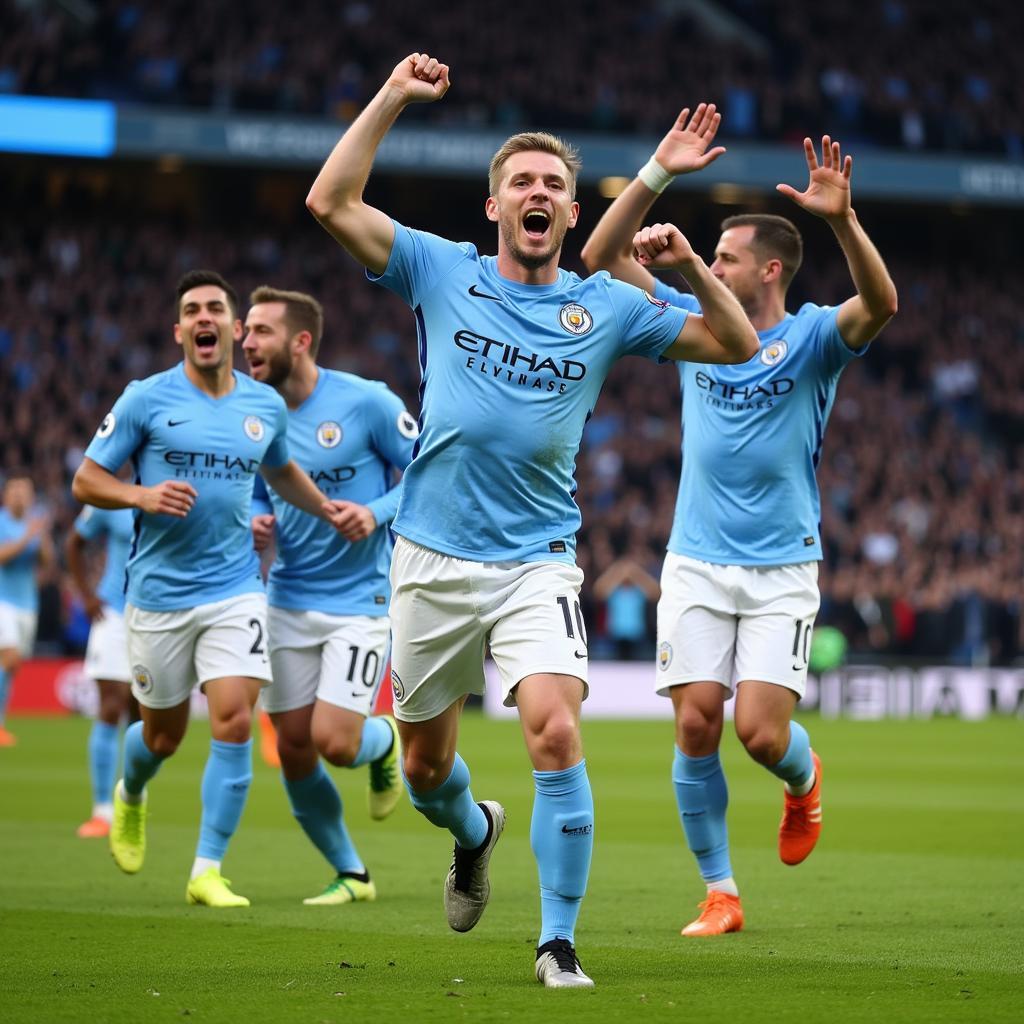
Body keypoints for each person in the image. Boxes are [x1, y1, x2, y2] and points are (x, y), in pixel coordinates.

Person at [305, 54, 758, 987]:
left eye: (554, 182)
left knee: (554, 731)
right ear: (495, 207)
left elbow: (735, 344)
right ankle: (474, 835)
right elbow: (331, 203)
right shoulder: (441, 269)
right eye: (522, 182)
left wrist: (681, 265)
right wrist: (392, 96)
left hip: (538, 562)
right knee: (429, 770)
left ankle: (557, 943)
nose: (539, 192)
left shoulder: (608, 304)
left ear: (572, 213)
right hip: (428, 558)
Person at [582, 106, 898, 936]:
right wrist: (657, 172)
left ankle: (804, 778)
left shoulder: (815, 340)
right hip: (694, 558)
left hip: (782, 566)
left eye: (724, 257)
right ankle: (721, 892)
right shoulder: (694, 330)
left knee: (760, 735)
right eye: (708, 256)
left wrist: (845, 219)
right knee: (695, 723)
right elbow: (602, 257)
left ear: (767, 272)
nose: (709, 264)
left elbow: (882, 302)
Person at [71, 269, 350, 908]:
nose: (204, 317)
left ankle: (207, 868)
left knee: (233, 719)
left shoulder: (263, 406)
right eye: (192, 309)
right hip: (157, 596)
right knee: (161, 736)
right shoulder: (146, 398)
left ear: (231, 327)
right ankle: (130, 792)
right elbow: (86, 482)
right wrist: (140, 493)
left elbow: (281, 471)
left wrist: (328, 509)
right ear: (180, 331)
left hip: (235, 589)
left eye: (216, 309)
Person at [242, 284, 416, 905]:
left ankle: (385, 741)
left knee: (335, 743)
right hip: (286, 598)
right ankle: (352, 873)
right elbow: (262, 486)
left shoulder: (366, 402)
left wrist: (374, 512)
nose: (246, 341)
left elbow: (425, 471)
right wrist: (257, 516)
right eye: (246, 330)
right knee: (292, 749)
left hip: (361, 602)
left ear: (301, 341)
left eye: (260, 331)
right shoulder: (255, 411)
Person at [66, 502, 137, 836]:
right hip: (113, 612)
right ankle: (102, 811)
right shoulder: (111, 494)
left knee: (145, 718)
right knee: (111, 705)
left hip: (161, 615)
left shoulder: (178, 487)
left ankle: (133, 801)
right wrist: (86, 595)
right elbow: (74, 542)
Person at [0, 475, 54, 746]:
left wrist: (41, 535)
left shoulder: (34, 525)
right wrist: (28, 536)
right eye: (15, 491)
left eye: (25, 492)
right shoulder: (2, 522)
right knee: (8, 659)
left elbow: (48, 562)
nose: (20, 496)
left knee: (11, 666)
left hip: (28, 604)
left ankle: (1, 724)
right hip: (3, 602)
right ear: (6, 496)